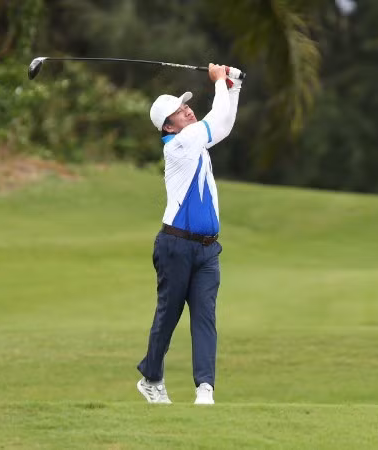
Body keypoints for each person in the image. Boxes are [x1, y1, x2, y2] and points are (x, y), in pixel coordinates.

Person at [136, 63, 242, 405]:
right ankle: (151, 379)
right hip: (175, 246)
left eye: (185, 105)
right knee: (168, 316)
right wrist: (219, 82)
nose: (186, 110)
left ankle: (205, 390)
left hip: (208, 250)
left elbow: (222, 124)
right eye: (179, 111)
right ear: (168, 126)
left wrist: (233, 86)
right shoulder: (180, 145)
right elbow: (216, 116)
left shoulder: (197, 142)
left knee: (205, 317)